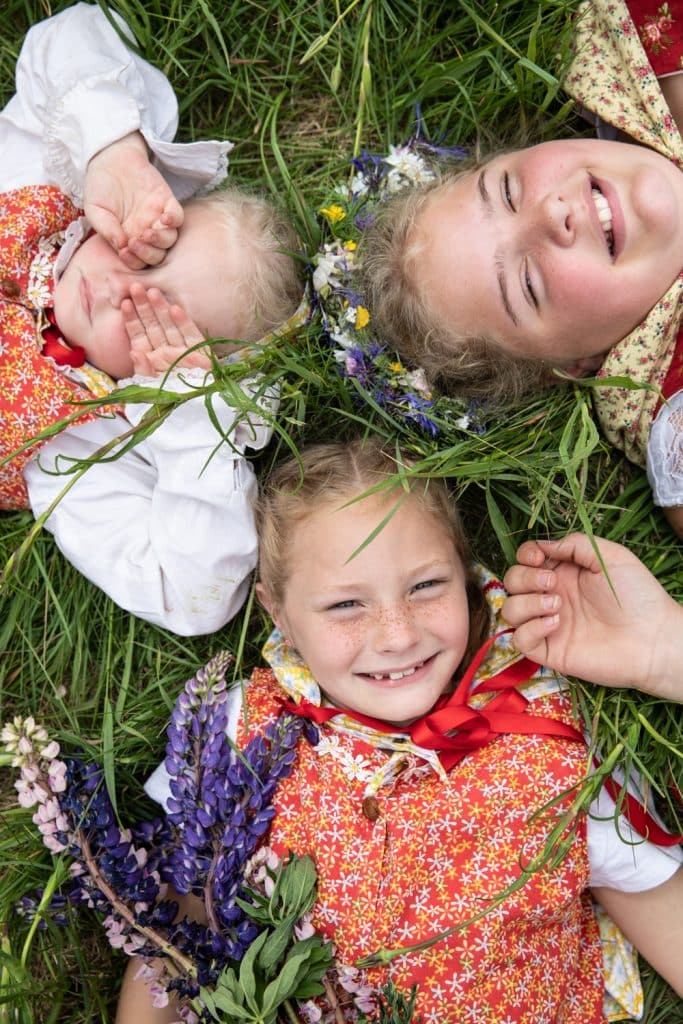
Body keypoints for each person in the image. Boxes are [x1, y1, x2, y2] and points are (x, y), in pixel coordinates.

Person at [118, 438, 682, 1023]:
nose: (396, 635)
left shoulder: (546, 737)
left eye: (425, 587)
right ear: (277, 612)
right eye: (344, 606)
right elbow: (175, 925)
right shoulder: (243, 735)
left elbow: (658, 906)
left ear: (465, 578)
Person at [0, 3, 304, 635]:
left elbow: (195, 596)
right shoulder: (53, 191)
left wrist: (188, 414)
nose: (114, 289)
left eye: (150, 320)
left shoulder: (79, 447)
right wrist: (114, 152)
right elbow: (71, 32)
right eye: (143, 253)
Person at [361, 0, 683, 538]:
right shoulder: (671, 405)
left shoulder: (639, 47)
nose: (551, 214)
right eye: (528, 284)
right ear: (575, 363)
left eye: (507, 190)